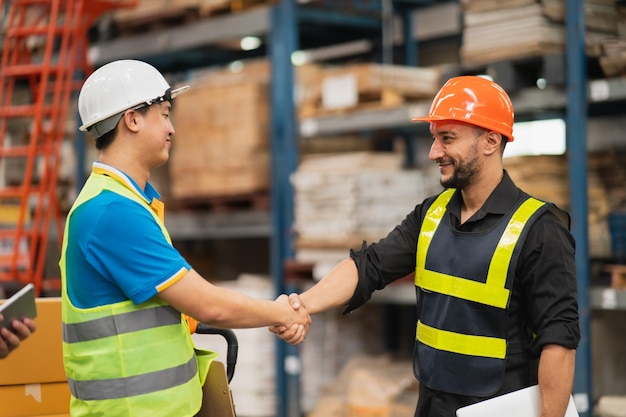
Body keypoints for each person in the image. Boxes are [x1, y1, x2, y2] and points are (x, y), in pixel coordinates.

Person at [274, 75, 580, 417]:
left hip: (498, 408)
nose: (435, 152)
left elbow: (559, 339)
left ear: (491, 141)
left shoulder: (540, 228)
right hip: (433, 405)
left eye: (447, 139)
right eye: (434, 139)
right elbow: (369, 266)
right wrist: (301, 306)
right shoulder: (431, 215)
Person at [59, 59, 310, 417]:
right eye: (163, 114)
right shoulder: (111, 212)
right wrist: (281, 312)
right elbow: (209, 305)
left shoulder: (123, 202)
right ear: (132, 119)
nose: (171, 128)